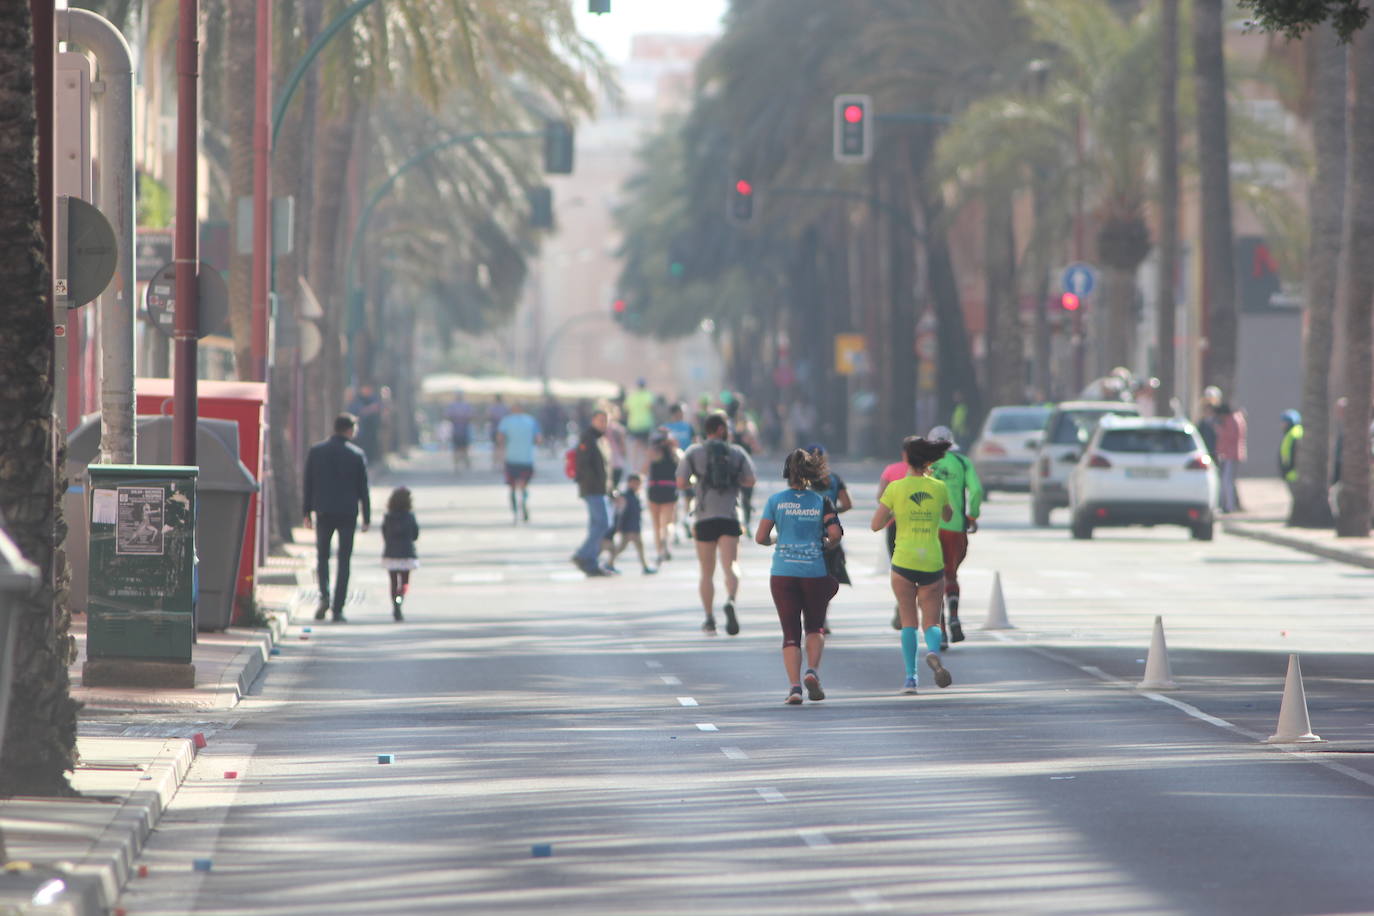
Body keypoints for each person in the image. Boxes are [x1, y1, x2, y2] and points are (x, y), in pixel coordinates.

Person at [755, 449, 843, 705]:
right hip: (814, 572)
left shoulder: (775, 501)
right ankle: (812, 672)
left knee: (790, 633)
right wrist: (823, 545)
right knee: (815, 626)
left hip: (783, 573)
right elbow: (835, 534)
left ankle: (794, 688)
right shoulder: (821, 501)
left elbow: (760, 537)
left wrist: (776, 540)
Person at [870, 436, 955, 695]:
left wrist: (897, 511)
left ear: (906, 459)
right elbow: (948, 515)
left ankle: (911, 678)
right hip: (931, 560)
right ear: (928, 460)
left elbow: (875, 525)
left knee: (908, 622)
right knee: (932, 622)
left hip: (904, 560)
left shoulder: (895, 488)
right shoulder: (939, 487)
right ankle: (932, 652)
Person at [677, 411, 757, 636]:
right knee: (731, 565)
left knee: (706, 571)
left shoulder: (694, 452)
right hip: (730, 516)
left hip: (704, 517)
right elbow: (751, 480)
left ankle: (709, 618)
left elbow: (681, 482)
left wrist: (699, 482)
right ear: (721, 430)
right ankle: (731, 600)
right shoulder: (737, 452)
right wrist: (734, 480)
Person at [303, 413, 372, 623]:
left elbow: (309, 483)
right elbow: (363, 489)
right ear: (350, 430)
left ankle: (324, 595)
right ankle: (338, 607)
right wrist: (366, 517)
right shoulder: (356, 454)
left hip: (323, 511)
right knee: (344, 560)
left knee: (322, 557)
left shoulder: (316, 451)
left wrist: (306, 512)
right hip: (348, 513)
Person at [927, 425, 983, 647]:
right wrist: (973, 515)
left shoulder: (925, 464)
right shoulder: (962, 462)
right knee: (950, 575)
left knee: (932, 580)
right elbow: (977, 490)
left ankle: (940, 631)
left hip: (928, 528)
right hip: (956, 527)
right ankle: (954, 616)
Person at [572, 409, 615, 577]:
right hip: (593, 489)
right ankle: (583, 554)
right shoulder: (588, 438)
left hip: (602, 489)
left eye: (605, 420)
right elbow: (583, 465)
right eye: (600, 420)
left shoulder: (601, 439)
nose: (603, 424)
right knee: (604, 523)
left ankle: (591, 561)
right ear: (592, 421)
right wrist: (592, 484)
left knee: (597, 525)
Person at [496, 401, 542, 524]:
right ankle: (524, 502)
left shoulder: (506, 421)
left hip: (511, 458)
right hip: (526, 458)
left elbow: (500, 438)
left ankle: (515, 510)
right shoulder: (531, 421)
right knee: (524, 486)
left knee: (512, 487)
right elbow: (538, 439)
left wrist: (501, 451)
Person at [381, 487, 419, 622]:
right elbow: (415, 535)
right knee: (404, 582)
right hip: (406, 553)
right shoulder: (410, 517)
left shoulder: (388, 517)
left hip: (391, 553)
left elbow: (384, 534)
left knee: (393, 581)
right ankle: (399, 599)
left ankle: (395, 604)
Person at [609, 474, 656, 575]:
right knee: (624, 546)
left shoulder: (635, 496)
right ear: (630, 483)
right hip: (629, 527)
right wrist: (620, 527)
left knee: (635, 546)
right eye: (635, 483)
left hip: (634, 526)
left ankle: (645, 566)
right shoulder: (626, 496)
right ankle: (609, 563)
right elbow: (621, 513)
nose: (637, 486)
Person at [646, 434, 681, 565]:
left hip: (654, 488)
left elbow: (644, 470)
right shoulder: (675, 453)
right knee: (668, 522)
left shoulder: (653, 453)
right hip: (669, 489)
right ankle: (666, 541)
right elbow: (683, 468)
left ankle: (659, 550)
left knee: (656, 524)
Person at [1214, 399, 1248, 513]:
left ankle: (1229, 506)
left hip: (1231, 455)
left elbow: (1230, 437)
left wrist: (1219, 430)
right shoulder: (1234, 419)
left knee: (1227, 481)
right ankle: (1227, 505)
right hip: (1229, 454)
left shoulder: (1232, 420)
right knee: (1227, 481)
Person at [624, 378, 657, 469]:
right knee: (646, 446)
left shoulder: (632, 395)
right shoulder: (648, 394)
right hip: (646, 423)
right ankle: (646, 466)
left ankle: (634, 466)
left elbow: (626, 408)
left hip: (633, 424)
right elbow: (651, 407)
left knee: (636, 445)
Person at [444, 391, 475, 472]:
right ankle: (462, 463)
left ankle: (458, 464)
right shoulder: (466, 406)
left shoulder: (452, 406)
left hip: (458, 430)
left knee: (457, 448)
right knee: (462, 448)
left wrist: (456, 419)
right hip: (462, 430)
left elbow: (447, 416)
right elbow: (471, 417)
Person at [1279, 409, 1303, 503]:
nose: (1282, 424)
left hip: (1293, 473)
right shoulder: (1291, 433)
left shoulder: (1295, 433)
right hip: (1290, 473)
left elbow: (1295, 452)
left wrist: (1289, 468)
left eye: (1285, 421)